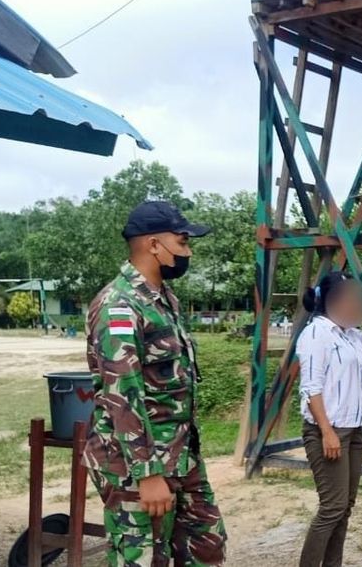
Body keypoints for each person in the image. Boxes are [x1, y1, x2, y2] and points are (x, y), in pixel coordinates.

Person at [83, 200, 226, 566]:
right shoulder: (119, 304)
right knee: (143, 558)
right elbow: (122, 394)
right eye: (182, 242)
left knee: (205, 547)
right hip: (136, 463)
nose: (187, 251)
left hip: (179, 456)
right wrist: (147, 475)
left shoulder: (163, 299)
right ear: (153, 244)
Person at [296, 271, 362, 567]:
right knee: (331, 508)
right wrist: (327, 432)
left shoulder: (350, 334)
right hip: (330, 431)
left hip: (355, 431)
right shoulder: (317, 333)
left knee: (345, 507)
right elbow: (311, 387)